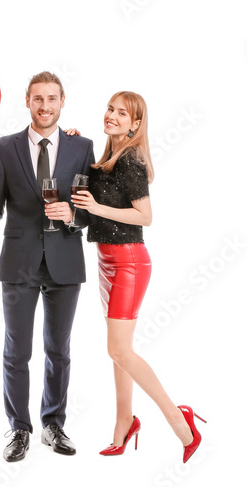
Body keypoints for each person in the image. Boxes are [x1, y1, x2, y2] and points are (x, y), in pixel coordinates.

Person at [0, 71, 94, 461]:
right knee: (16, 352)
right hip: (19, 263)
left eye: (52, 99)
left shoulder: (82, 146)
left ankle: (53, 424)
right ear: (27, 102)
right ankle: (19, 429)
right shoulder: (4, 148)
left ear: (62, 101)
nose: (45, 106)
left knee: (60, 351)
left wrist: (71, 214)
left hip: (65, 263)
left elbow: (92, 213)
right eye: (38, 99)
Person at [72, 91, 206, 463]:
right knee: (120, 351)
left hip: (129, 262)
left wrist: (96, 206)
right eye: (110, 109)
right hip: (105, 261)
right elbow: (91, 203)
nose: (112, 116)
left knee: (118, 350)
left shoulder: (130, 161)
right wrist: (73, 142)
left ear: (136, 124)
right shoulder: (106, 161)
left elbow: (145, 216)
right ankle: (124, 422)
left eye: (122, 113)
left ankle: (182, 422)